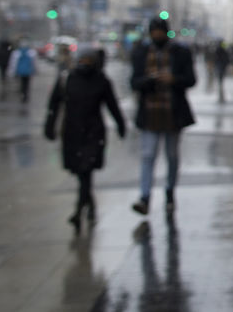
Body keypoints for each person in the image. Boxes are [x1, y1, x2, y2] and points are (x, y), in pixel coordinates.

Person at [44, 48, 126, 231]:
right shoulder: (67, 79)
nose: (86, 63)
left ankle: (78, 210)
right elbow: (54, 104)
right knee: (80, 172)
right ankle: (90, 203)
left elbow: (112, 105)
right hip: (72, 132)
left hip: (93, 133)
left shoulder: (101, 80)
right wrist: (50, 126)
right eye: (83, 59)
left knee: (86, 171)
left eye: (89, 60)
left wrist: (121, 124)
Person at [129, 17, 196, 215]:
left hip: (173, 112)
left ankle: (169, 192)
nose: (157, 35)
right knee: (148, 155)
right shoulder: (141, 52)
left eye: (159, 31)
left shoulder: (180, 52)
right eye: (154, 32)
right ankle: (145, 196)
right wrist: (149, 80)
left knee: (172, 155)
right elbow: (134, 82)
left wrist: (174, 79)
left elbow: (191, 79)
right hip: (149, 112)